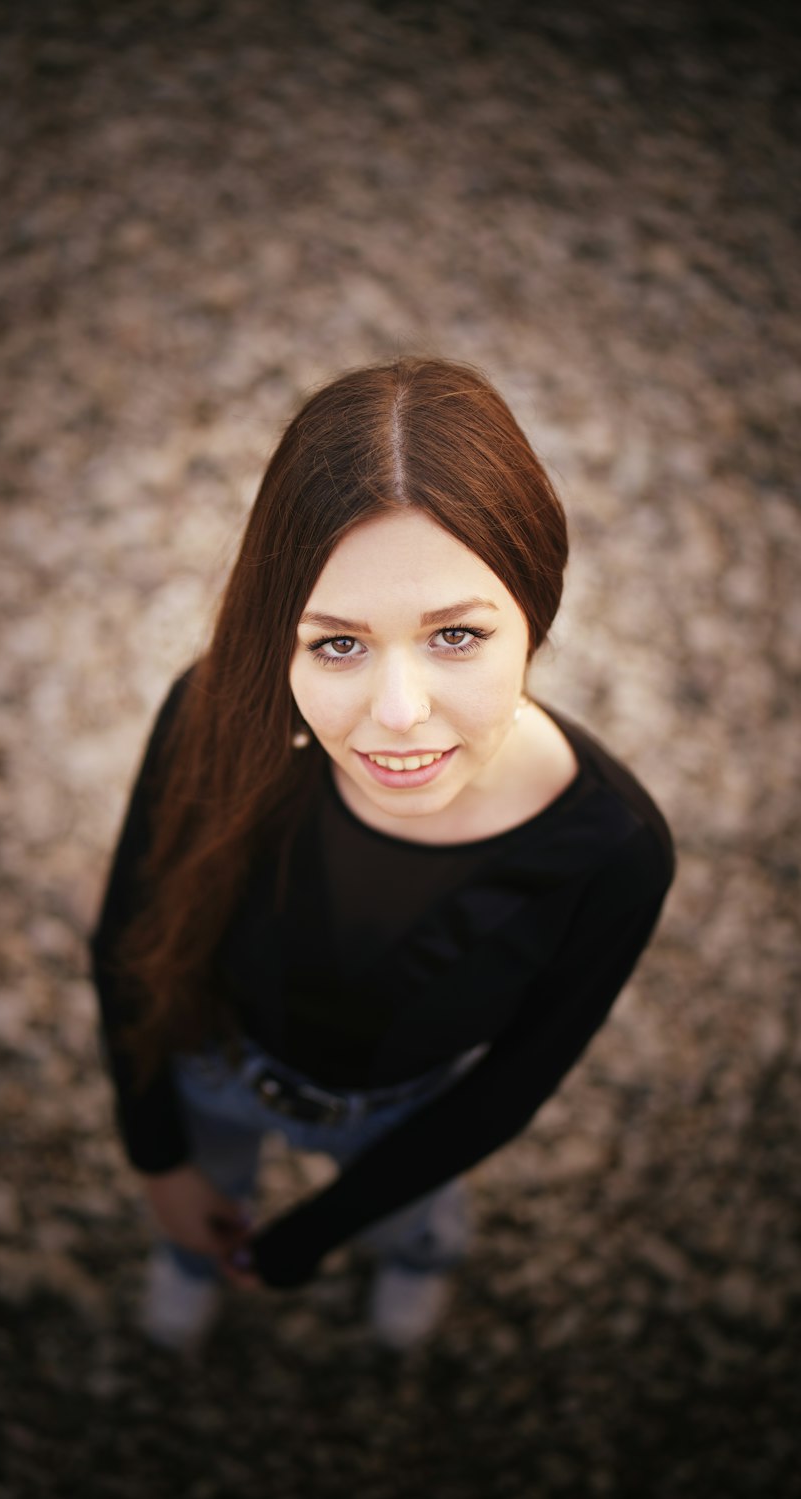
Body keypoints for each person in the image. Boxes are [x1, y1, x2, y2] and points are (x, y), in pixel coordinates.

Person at [90, 357, 675, 1353]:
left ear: (536, 607)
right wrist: (158, 1162)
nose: (398, 715)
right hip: (212, 1066)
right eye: (336, 645)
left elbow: (508, 1089)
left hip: (407, 1121)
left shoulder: (612, 851)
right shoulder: (216, 713)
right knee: (199, 1197)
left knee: (416, 1215)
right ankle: (192, 1254)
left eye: (454, 636)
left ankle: (414, 1259)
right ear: (280, 632)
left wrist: (311, 1236)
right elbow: (128, 938)